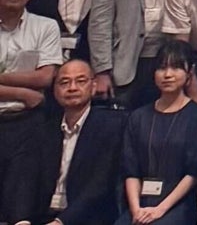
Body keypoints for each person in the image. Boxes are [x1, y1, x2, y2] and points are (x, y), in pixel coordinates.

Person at [21, 58, 124, 225]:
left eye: (81, 81)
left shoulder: (111, 127)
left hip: (86, 219)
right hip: (44, 216)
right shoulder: (44, 130)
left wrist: (61, 222)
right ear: (54, 90)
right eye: (64, 82)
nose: (72, 88)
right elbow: (25, 179)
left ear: (94, 86)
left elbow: (100, 185)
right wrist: (22, 219)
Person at [116, 39, 197, 225]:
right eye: (161, 68)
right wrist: (136, 210)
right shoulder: (138, 116)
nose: (167, 75)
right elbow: (131, 170)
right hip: (141, 203)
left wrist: (160, 209)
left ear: (189, 72)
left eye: (176, 67)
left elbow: (193, 173)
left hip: (179, 204)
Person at [0, 0, 61, 221]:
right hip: (22, 103)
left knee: (20, 205)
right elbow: (32, 85)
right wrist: (22, 92)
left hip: (26, 122)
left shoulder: (45, 26)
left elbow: (45, 77)